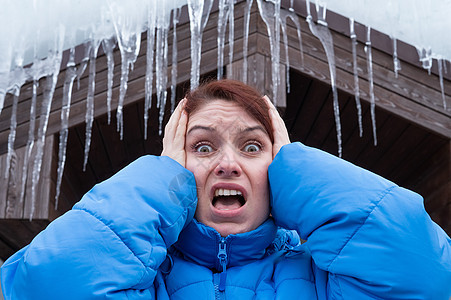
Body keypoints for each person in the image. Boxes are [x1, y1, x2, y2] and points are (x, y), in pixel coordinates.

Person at [1, 79, 450, 299]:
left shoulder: (327, 277)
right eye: (203, 147)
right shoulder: (144, 278)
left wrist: (297, 169)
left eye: (252, 146)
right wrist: (159, 180)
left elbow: (427, 276)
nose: (228, 163)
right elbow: (45, 284)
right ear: (177, 164)